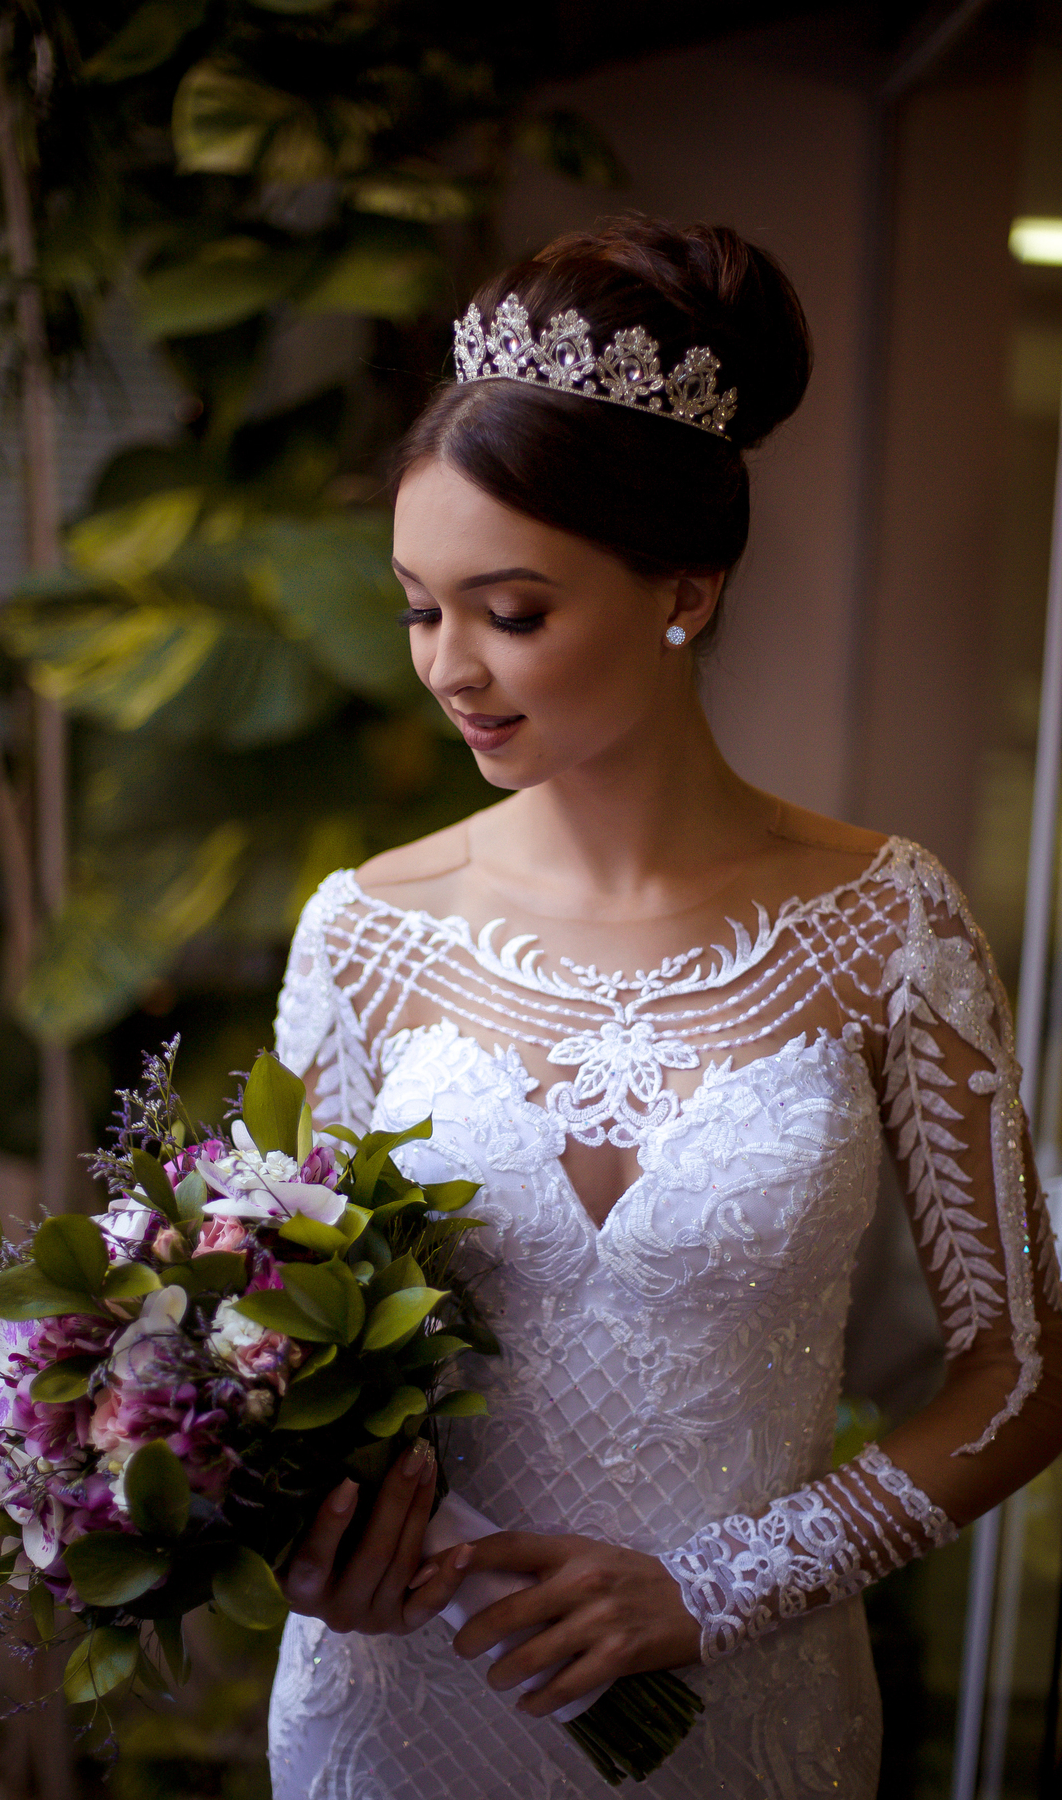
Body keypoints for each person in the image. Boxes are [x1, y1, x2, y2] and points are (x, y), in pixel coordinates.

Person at [264, 215, 1062, 1798]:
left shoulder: (884, 926)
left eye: (514, 610)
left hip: (747, 1726)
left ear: (684, 589)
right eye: (421, 606)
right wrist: (300, 1536)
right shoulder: (365, 936)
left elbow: (1025, 1373)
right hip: (398, 1708)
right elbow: (285, 1352)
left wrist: (716, 1593)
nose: (451, 667)